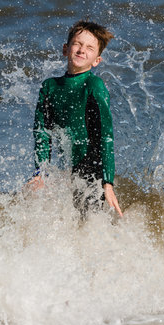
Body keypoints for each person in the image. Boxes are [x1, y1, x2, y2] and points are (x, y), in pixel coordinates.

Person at [27, 19, 123, 218]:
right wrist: (40, 173)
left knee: (90, 219)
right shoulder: (49, 87)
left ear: (97, 60)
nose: (81, 50)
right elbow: (42, 132)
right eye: (77, 44)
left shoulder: (94, 85)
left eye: (89, 48)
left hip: (93, 170)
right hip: (67, 171)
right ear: (65, 49)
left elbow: (106, 135)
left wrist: (108, 182)